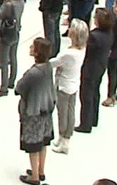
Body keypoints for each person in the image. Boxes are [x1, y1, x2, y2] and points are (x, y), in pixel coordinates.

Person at [15, 38, 56, 185]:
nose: (30, 47)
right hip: (47, 109)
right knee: (43, 142)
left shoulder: (33, 73)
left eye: (33, 46)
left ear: (37, 52)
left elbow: (19, 88)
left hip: (33, 112)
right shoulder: (49, 67)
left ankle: (34, 177)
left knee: (33, 144)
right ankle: (40, 170)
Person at [50, 19, 88, 155]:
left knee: (63, 114)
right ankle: (63, 138)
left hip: (64, 86)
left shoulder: (69, 54)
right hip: (74, 84)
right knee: (70, 112)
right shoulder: (81, 49)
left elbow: (54, 63)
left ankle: (64, 139)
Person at [75, 8, 114, 133]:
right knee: (95, 93)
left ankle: (85, 124)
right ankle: (94, 119)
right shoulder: (109, 33)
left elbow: (86, 49)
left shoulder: (94, 36)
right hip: (101, 65)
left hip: (91, 67)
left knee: (86, 95)